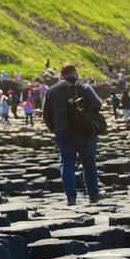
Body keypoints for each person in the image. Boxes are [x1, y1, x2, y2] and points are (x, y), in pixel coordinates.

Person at [41, 63, 105, 205]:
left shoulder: (51, 90)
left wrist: (54, 128)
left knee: (67, 164)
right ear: (74, 73)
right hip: (84, 131)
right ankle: (93, 195)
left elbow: (46, 115)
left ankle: (71, 198)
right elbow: (98, 104)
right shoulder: (83, 86)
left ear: (61, 74)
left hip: (62, 132)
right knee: (89, 163)